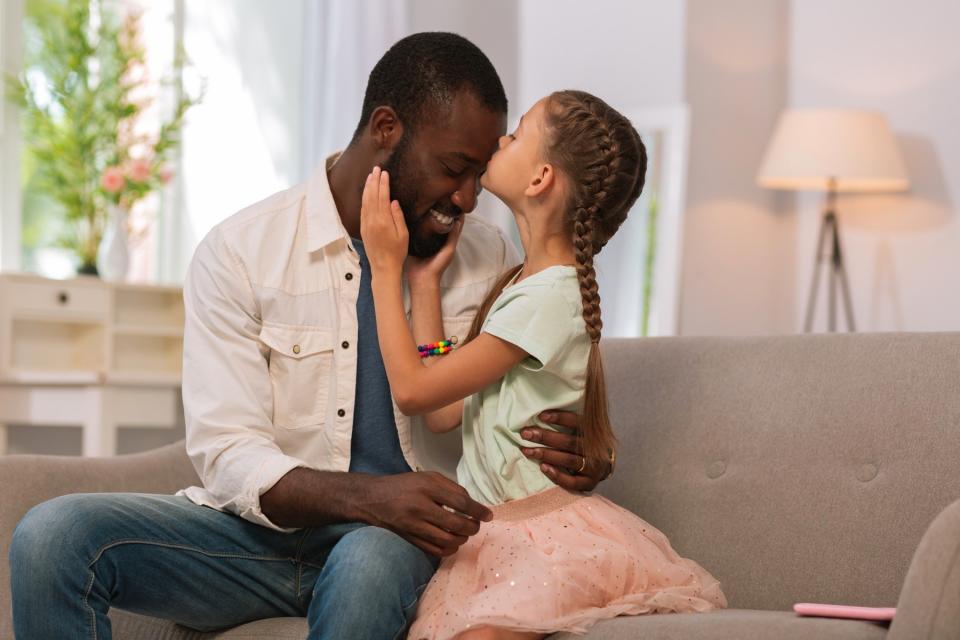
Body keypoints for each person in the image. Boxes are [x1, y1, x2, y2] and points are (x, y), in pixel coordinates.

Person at [8, 34, 610, 639]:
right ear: (385, 128)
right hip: (256, 544)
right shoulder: (242, 252)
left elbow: (516, 398)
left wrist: (573, 452)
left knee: (368, 562)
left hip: (400, 546)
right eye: (454, 169)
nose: (466, 198)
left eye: (480, 175)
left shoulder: (489, 259)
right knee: (52, 536)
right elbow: (228, 453)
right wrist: (368, 498)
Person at [359, 89, 727, 640]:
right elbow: (440, 412)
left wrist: (384, 270)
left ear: (540, 180)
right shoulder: (525, 288)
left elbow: (413, 392)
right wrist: (423, 284)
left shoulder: (549, 298)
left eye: (518, 132)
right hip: (494, 536)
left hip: (542, 537)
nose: (500, 140)